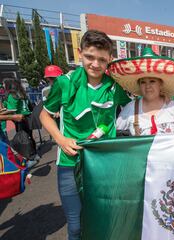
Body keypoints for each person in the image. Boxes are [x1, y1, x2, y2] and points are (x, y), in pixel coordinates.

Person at [39, 30, 131, 240]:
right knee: (75, 225)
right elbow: (44, 115)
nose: (95, 64)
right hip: (70, 163)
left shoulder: (114, 86)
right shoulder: (64, 83)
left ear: (110, 59)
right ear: (80, 53)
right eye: (90, 57)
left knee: (104, 218)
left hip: (105, 163)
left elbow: (134, 110)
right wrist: (60, 140)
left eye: (102, 59)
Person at [113, 47, 174, 135]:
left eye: (152, 81)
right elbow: (117, 137)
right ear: (139, 85)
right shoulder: (130, 108)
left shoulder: (173, 108)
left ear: (160, 84)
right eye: (143, 82)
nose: (148, 86)